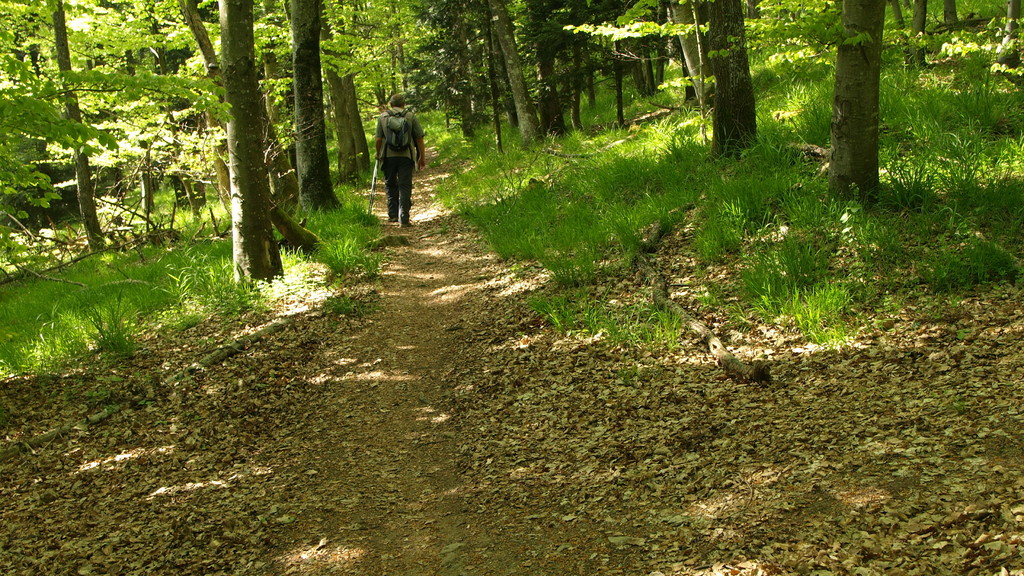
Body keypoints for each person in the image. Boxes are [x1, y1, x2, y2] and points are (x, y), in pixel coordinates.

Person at [375, 93, 426, 227]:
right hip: (406, 156)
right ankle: (404, 217)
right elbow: (419, 138)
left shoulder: (383, 117)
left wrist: (378, 153)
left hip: (388, 156)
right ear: (403, 104)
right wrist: (422, 157)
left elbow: (378, 139)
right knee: (405, 185)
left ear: (391, 104)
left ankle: (392, 215)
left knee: (390, 184)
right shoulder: (410, 116)